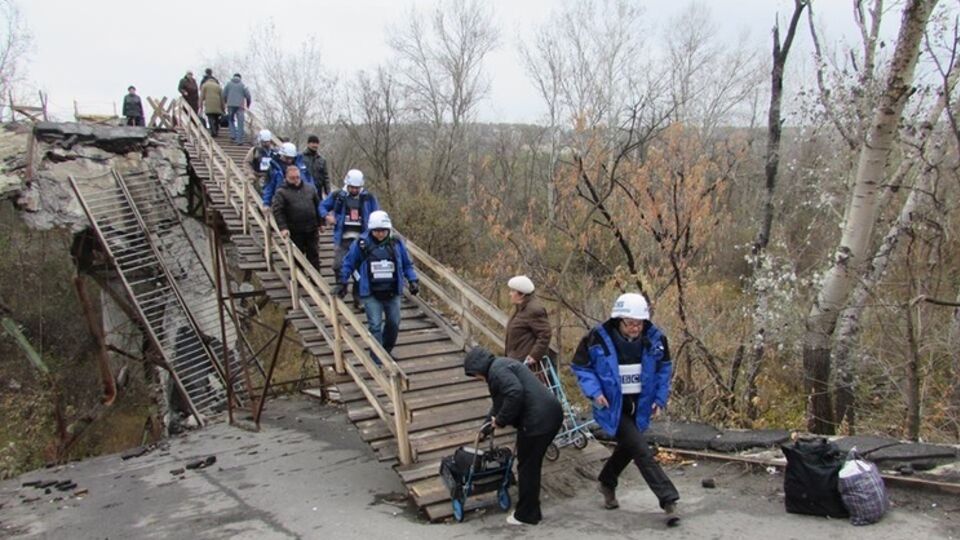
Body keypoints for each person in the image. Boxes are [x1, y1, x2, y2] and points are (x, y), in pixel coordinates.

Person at [570, 293, 680, 526]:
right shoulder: (596, 338)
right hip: (612, 407)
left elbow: (664, 370)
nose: (634, 328)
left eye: (638, 323)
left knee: (629, 447)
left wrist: (659, 400)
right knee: (641, 450)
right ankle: (668, 500)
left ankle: (607, 481)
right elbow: (581, 367)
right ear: (619, 320)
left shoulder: (656, 339)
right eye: (629, 323)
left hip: (640, 406)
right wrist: (595, 392)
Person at [463, 346, 562, 526]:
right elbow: (498, 404)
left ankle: (526, 515)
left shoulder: (496, 372)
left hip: (537, 421)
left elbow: (515, 392)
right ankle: (531, 510)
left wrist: (501, 421)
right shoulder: (503, 365)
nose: (477, 379)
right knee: (531, 464)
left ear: (478, 368)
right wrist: (485, 430)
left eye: (475, 375)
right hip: (551, 414)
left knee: (527, 467)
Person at [336, 211, 419, 358]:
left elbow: (407, 264)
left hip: (392, 291)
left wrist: (413, 280)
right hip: (371, 292)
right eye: (376, 231)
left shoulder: (396, 243)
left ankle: (386, 351)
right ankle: (377, 359)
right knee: (375, 325)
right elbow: (348, 263)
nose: (380, 234)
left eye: (383, 231)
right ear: (371, 230)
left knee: (393, 323)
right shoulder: (361, 244)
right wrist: (343, 282)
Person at [320, 169, 379, 304]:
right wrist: (327, 216)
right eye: (352, 187)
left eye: (357, 188)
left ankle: (358, 298)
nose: (354, 190)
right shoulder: (338, 196)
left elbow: (377, 214)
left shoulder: (368, 198)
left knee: (360, 269)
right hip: (343, 239)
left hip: (361, 239)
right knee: (337, 265)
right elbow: (322, 206)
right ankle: (342, 287)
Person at [271, 164, 321, 269]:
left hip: (311, 228)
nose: (296, 180)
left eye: (297, 177)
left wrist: (322, 223)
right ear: (287, 178)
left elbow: (318, 206)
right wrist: (283, 228)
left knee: (314, 254)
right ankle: (299, 281)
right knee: (297, 257)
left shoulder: (310, 189)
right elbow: (278, 211)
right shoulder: (281, 192)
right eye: (292, 178)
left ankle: (315, 280)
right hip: (295, 230)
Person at [504, 275, 552, 367]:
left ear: (522, 294)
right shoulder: (519, 307)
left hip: (526, 364)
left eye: (513, 291)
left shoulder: (534, 310)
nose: (510, 294)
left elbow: (545, 334)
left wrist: (535, 355)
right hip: (515, 360)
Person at [262, 142, 313, 208]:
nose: (289, 160)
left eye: (291, 158)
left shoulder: (302, 167)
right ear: (281, 155)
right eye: (287, 158)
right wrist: (266, 203)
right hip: (281, 201)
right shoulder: (274, 168)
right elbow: (269, 187)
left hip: (301, 200)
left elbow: (310, 183)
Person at [223, 73, 252, 143]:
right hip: (240, 106)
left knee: (231, 120)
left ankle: (233, 135)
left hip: (230, 105)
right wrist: (248, 105)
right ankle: (239, 140)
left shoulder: (228, 84)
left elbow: (223, 94)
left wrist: (226, 102)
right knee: (240, 122)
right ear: (240, 78)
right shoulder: (243, 85)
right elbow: (248, 96)